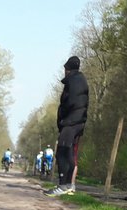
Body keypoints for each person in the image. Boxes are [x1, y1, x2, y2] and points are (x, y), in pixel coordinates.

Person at [47, 55, 89, 196]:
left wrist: (62, 119)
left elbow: (69, 103)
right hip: (79, 122)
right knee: (70, 153)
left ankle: (62, 185)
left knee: (62, 153)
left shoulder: (73, 82)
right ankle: (69, 185)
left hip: (71, 122)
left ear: (67, 69)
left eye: (65, 69)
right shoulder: (82, 80)